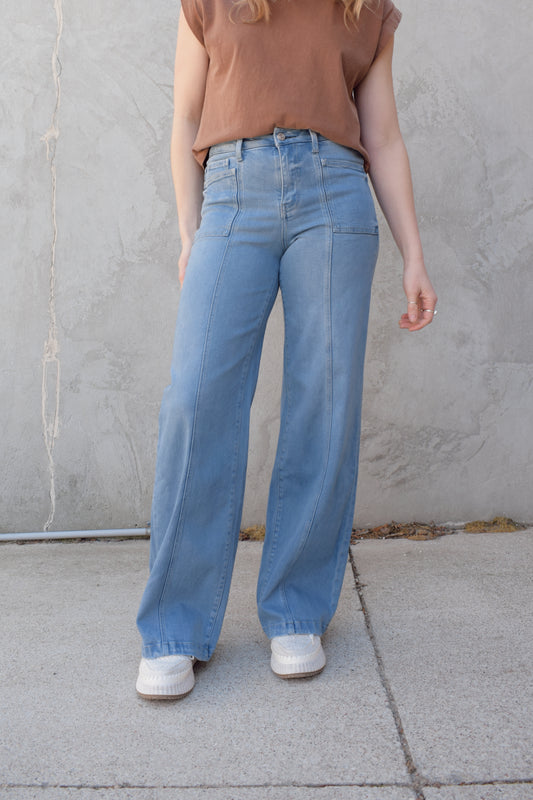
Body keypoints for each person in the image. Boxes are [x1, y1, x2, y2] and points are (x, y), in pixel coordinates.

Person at [135, 0, 437, 700]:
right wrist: (190, 230)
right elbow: (185, 117)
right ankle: (175, 626)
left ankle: (296, 610)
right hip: (232, 192)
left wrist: (415, 256)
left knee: (322, 401)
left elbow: (383, 137)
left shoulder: (363, 9)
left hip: (335, 196)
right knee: (195, 401)